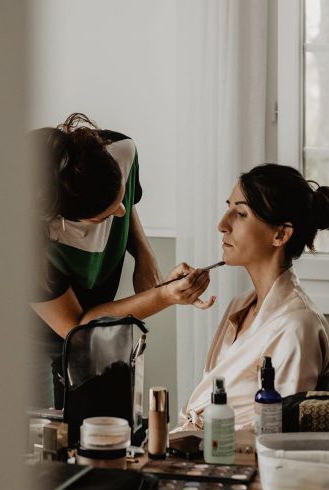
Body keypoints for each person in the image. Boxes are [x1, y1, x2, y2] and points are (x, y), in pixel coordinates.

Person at [30, 113, 216, 408]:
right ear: (61, 220)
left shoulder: (121, 150)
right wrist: (164, 296)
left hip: (94, 329)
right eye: (103, 216)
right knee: (41, 437)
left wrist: (144, 254)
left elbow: (126, 203)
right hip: (32, 342)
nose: (120, 213)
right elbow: (78, 328)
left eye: (119, 198)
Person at [177, 163, 329, 431]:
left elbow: (281, 436)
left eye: (241, 214)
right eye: (228, 208)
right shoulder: (238, 306)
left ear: (280, 234)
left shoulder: (298, 326)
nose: (222, 225)